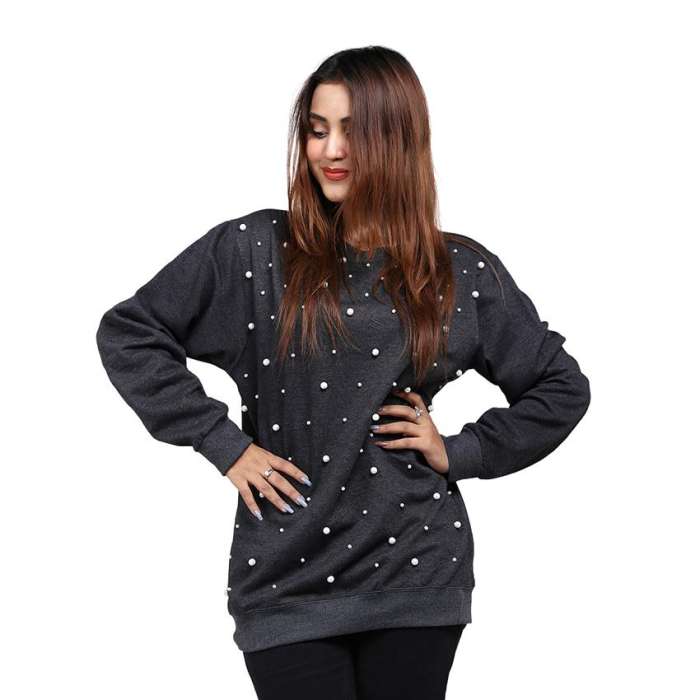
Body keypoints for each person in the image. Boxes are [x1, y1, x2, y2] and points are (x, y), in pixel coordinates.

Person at [95, 46, 591, 700]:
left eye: (352, 130)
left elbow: (561, 387)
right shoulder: (252, 251)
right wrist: (224, 445)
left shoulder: (456, 271)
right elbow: (130, 333)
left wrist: (460, 451)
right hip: (284, 575)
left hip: (415, 569)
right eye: (317, 129)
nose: (330, 150)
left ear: (397, 138)